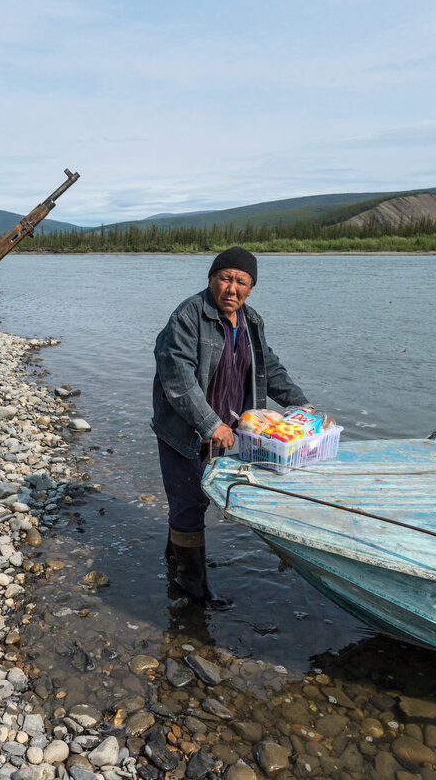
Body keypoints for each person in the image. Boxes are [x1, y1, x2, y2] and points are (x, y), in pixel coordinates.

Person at [151, 246, 310, 605]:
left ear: (251, 288)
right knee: (190, 500)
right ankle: (192, 589)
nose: (232, 288)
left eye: (242, 281)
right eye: (225, 278)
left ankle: (175, 557)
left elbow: (271, 370)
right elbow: (177, 378)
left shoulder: (252, 321)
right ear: (211, 278)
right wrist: (210, 424)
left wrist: (303, 404)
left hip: (225, 427)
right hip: (184, 429)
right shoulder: (188, 316)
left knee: (195, 499)